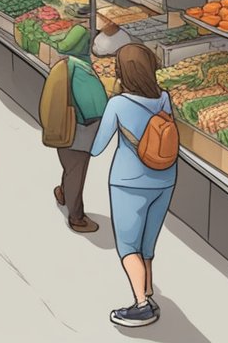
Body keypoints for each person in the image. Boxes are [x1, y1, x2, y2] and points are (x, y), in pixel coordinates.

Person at [90, 43, 177, 328]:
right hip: (164, 179)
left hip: (129, 183)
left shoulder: (118, 104)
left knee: (128, 247)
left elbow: (98, 147)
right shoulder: (164, 98)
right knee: (147, 242)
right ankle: (148, 289)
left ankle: (142, 306)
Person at [40, 56, 109, 233]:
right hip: (78, 132)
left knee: (70, 168)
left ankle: (63, 193)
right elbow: (93, 105)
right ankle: (76, 218)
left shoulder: (67, 67)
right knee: (76, 174)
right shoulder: (80, 73)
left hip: (66, 129)